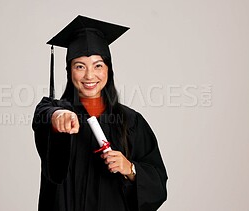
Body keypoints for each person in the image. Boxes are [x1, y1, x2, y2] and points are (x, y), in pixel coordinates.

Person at [32, 15, 168, 211]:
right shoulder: (57, 111)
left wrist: (130, 169)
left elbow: (158, 184)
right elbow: (43, 114)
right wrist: (57, 117)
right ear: (70, 71)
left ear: (108, 70)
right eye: (80, 66)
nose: (89, 75)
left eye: (98, 65)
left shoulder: (130, 122)